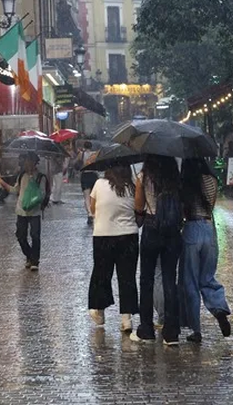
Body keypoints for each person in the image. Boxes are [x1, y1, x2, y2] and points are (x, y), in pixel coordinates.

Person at [178, 158, 231, 343]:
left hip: (191, 228)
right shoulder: (212, 180)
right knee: (207, 277)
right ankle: (219, 309)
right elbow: (212, 205)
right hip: (209, 228)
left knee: (190, 282)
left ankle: (196, 330)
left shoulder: (185, 182)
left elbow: (183, 210)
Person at [133, 155, 183, 346]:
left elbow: (138, 205)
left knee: (146, 279)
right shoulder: (175, 176)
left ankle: (146, 328)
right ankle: (171, 332)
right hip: (172, 230)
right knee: (170, 278)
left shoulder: (143, 176)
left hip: (152, 228)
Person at [87, 164, 140, 333]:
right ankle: (126, 318)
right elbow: (139, 210)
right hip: (129, 236)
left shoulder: (99, 184)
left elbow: (93, 209)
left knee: (102, 274)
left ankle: (99, 311)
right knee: (127, 277)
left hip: (103, 235)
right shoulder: (132, 187)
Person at [0, 152, 50, 270]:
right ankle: (29, 256)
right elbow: (15, 191)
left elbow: (42, 194)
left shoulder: (41, 177)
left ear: (34, 163)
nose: (25, 164)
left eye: (28, 161)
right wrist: (3, 183)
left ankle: (35, 261)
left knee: (35, 236)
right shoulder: (21, 176)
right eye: (25, 161)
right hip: (21, 211)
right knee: (20, 236)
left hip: (34, 212)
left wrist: (32, 183)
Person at [80, 141, 99, 226]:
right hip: (94, 175)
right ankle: (94, 212)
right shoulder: (95, 154)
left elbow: (77, 164)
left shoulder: (81, 154)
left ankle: (89, 214)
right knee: (94, 196)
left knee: (87, 197)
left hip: (85, 175)